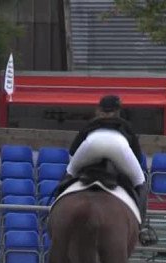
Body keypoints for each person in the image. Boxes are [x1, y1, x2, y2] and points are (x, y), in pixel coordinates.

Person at [55, 94, 154, 245]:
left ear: (99, 109)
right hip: (118, 146)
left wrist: (78, 166)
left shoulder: (91, 124)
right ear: (118, 111)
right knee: (140, 182)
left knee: (69, 173)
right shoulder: (125, 126)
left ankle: (53, 214)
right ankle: (141, 228)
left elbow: (72, 151)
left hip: (91, 144)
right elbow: (138, 157)